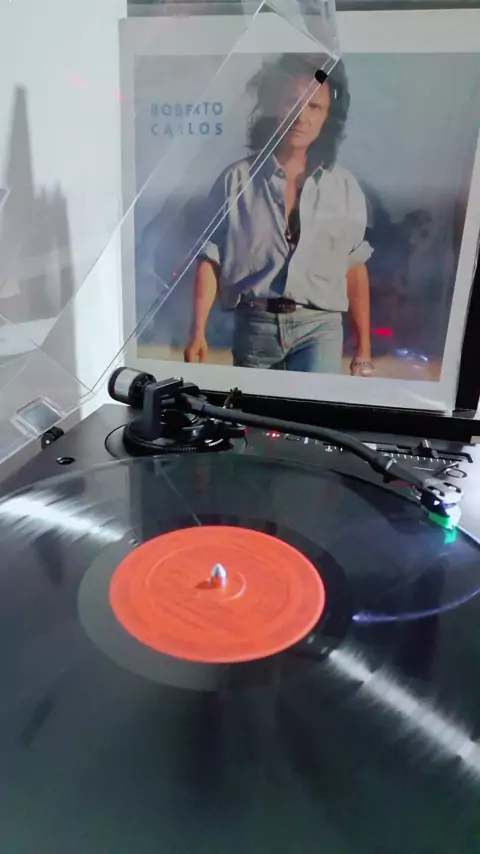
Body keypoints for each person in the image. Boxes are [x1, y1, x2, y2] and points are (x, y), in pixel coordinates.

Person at [184, 54, 374, 375]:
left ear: (328, 117)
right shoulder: (235, 180)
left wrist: (364, 349)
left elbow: (354, 268)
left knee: (310, 409)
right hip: (254, 328)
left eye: (315, 107)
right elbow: (209, 259)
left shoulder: (344, 186)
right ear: (273, 106)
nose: (302, 117)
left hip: (320, 330)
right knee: (256, 408)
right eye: (292, 102)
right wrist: (197, 332)